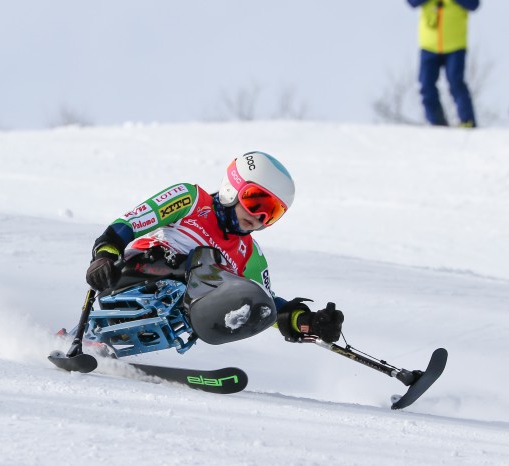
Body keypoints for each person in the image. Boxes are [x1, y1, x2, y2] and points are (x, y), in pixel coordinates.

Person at [84, 151, 344, 345]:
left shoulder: (249, 254)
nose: (259, 217)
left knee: (244, 293)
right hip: (131, 274)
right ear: (233, 186)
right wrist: (105, 255)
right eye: (256, 202)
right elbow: (130, 223)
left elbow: (264, 303)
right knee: (207, 259)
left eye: (271, 213)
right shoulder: (191, 199)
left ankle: (105, 340)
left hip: (177, 306)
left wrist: (303, 321)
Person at [407, 0, 480, 128]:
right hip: (429, 45)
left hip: (455, 45)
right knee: (426, 85)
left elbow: (474, 4)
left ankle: (467, 121)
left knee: (456, 83)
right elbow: (412, 2)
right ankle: (436, 123)